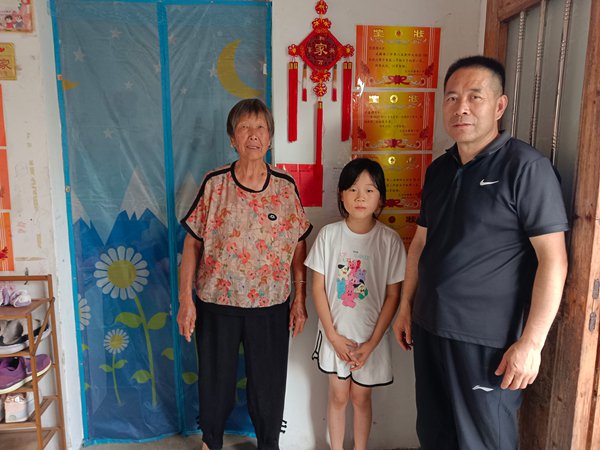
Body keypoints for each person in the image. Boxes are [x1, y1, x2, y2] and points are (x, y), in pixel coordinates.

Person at [392, 55, 569, 450]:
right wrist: (406, 305)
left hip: (487, 342)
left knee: (483, 442)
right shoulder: (439, 170)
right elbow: (420, 243)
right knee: (434, 435)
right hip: (430, 328)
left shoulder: (526, 168)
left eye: (475, 96)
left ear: (499, 105)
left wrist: (532, 343)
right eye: (452, 98)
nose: (462, 108)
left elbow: (553, 259)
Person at [177, 98, 312, 450]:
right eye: (245, 128)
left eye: (260, 128)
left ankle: (269, 443)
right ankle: (211, 441)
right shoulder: (215, 183)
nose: (253, 135)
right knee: (215, 382)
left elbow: (299, 246)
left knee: (268, 385)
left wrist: (300, 298)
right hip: (217, 303)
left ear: (270, 137)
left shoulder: (285, 187)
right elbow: (192, 243)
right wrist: (185, 301)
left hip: (270, 306)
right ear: (232, 138)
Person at [305, 158, 406, 450]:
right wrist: (333, 337)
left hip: (370, 339)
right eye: (352, 189)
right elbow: (317, 288)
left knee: (361, 398)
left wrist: (372, 343)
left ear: (380, 199)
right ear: (341, 194)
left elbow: (394, 296)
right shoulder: (329, 235)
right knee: (338, 396)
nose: (360, 197)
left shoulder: (389, 241)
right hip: (335, 336)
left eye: (369, 190)